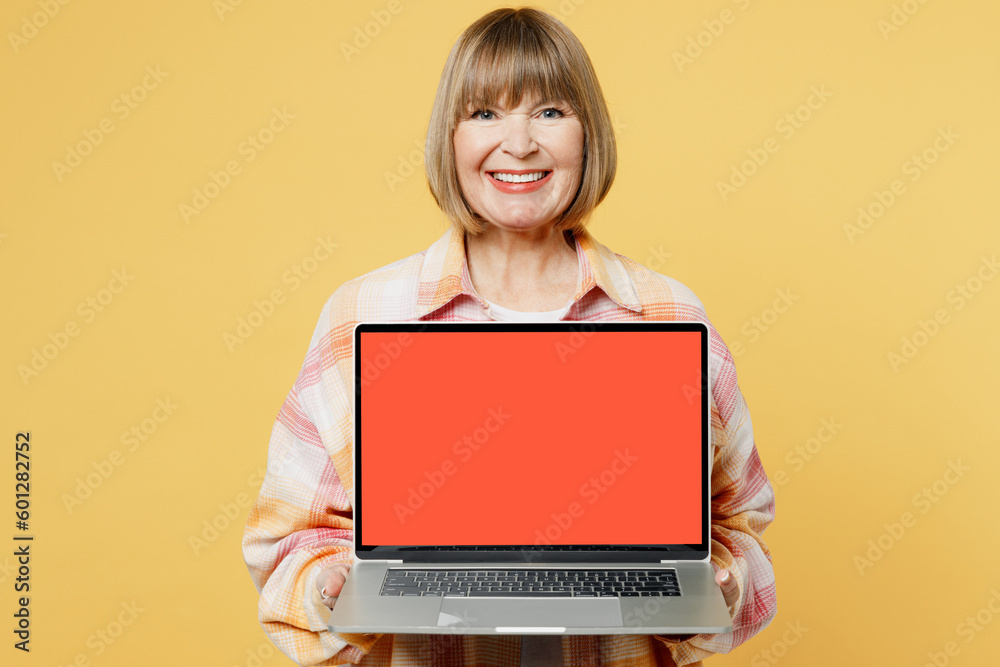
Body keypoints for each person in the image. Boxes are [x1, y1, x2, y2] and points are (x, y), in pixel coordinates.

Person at [242, 7, 776, 666]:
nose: (519, 143)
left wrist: (721, 580)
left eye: (550, 112)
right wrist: (329, 586)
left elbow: (740, 519)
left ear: (589, 135)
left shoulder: (668, 313)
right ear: (451, 136)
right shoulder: (362, 314)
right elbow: (285, 537)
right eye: (485, 113)